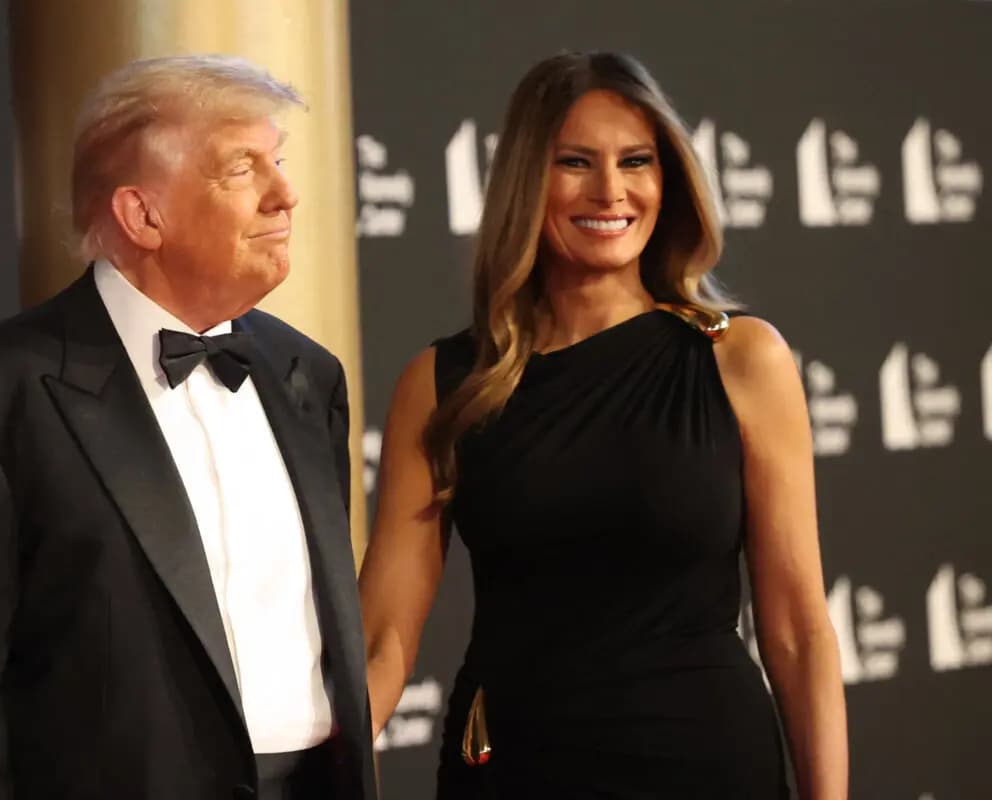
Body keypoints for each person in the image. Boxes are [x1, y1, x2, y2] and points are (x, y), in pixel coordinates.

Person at [0, 54, 376, 800]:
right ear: (142, 215)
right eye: (242, 170)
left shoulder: (308, 375)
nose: (286, 194)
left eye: (278, 161)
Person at [360, 51, 848, 798]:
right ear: (527, 179)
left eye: (637, 161)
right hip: (516, 768)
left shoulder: (739, 358)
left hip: (707, 766)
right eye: (576, 163)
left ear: (668, 178)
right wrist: (290, 768)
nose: (612, 191)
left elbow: (797, 631)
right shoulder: (443, 383)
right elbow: (383, 637)